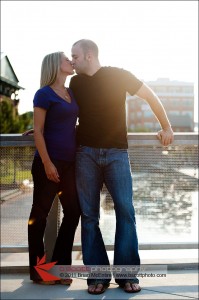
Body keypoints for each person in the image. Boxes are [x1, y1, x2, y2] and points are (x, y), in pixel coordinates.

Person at [69, 39, 174, 295]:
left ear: (90, 56)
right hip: (85, 155)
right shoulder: (76, 82)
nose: (72, 61)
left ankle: (126, 274)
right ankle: (98, 276)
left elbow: (149, 95)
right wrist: (42, 129)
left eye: (75, 56)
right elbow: (63, 110)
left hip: (117, 153)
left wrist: (166, 126)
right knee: (90, 215)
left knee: (126, 211)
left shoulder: (119, 75)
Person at [27, 52, 81, 285]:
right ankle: (39, 272)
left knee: (73, 211)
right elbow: (38, 130)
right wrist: (48, 163)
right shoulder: (44, 93)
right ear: (55, 65)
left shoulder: (71, 92)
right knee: (38, 218)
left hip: (69, 163)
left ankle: (60, 267)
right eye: (66, 59)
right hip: (47, 163)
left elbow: (69, 123)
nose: (71, 61)